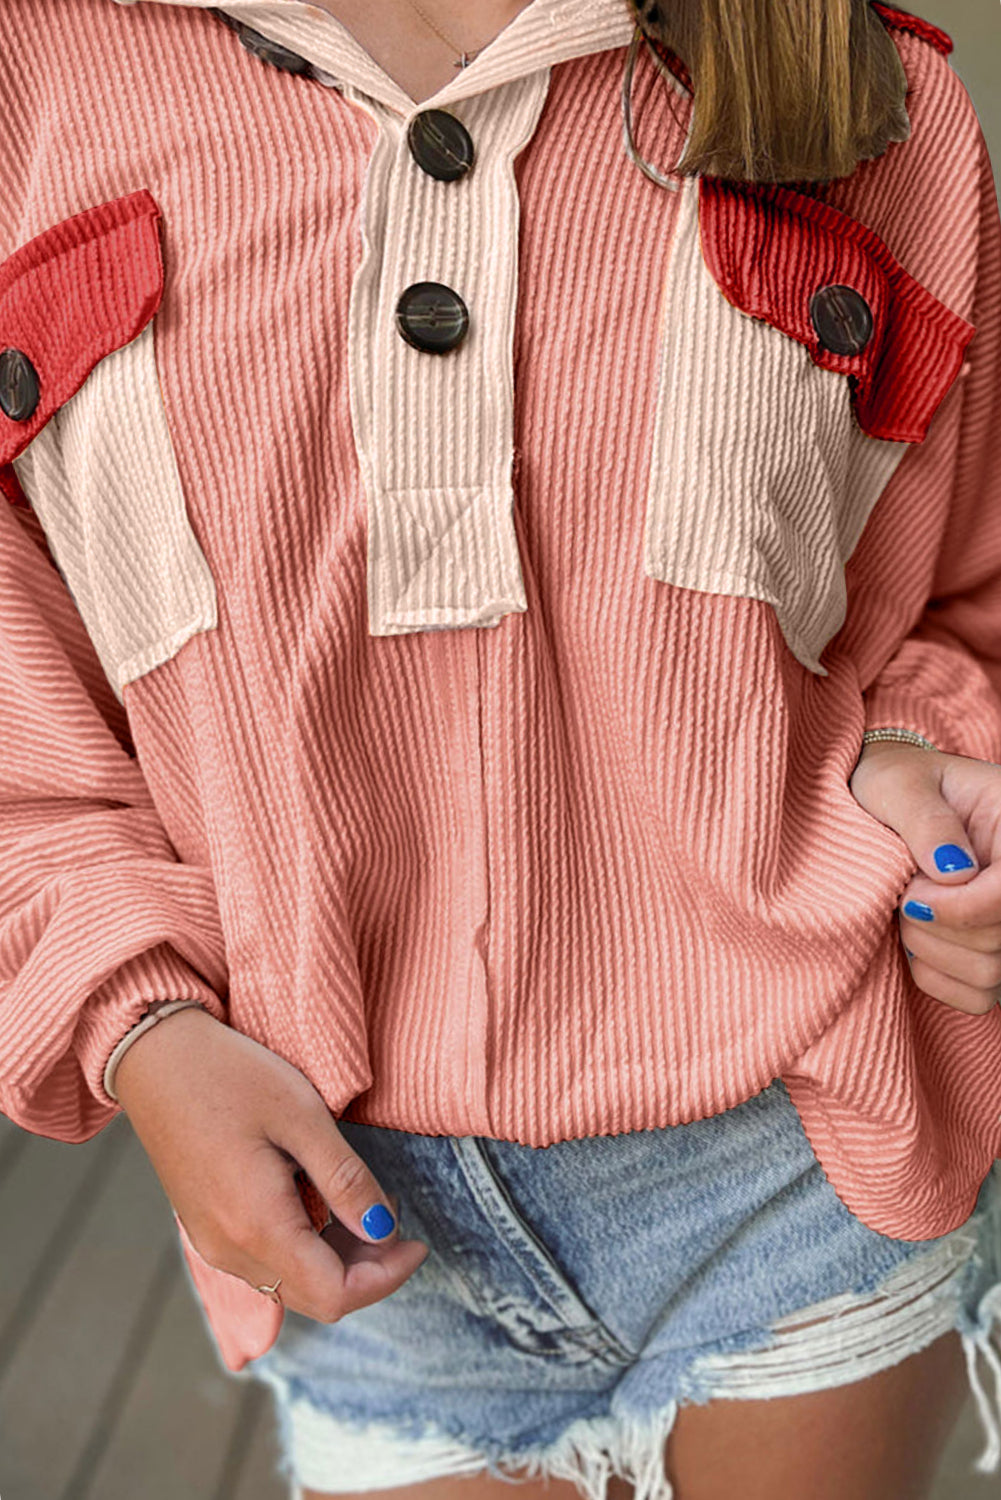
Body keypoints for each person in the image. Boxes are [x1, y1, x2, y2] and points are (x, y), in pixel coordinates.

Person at [2, 0, 1001, 1496]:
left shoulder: (860, 81)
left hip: (803, 1154)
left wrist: (924, 749)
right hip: (344, 1202)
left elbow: (959, 596)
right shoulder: (34, 69)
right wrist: (135, 1025)